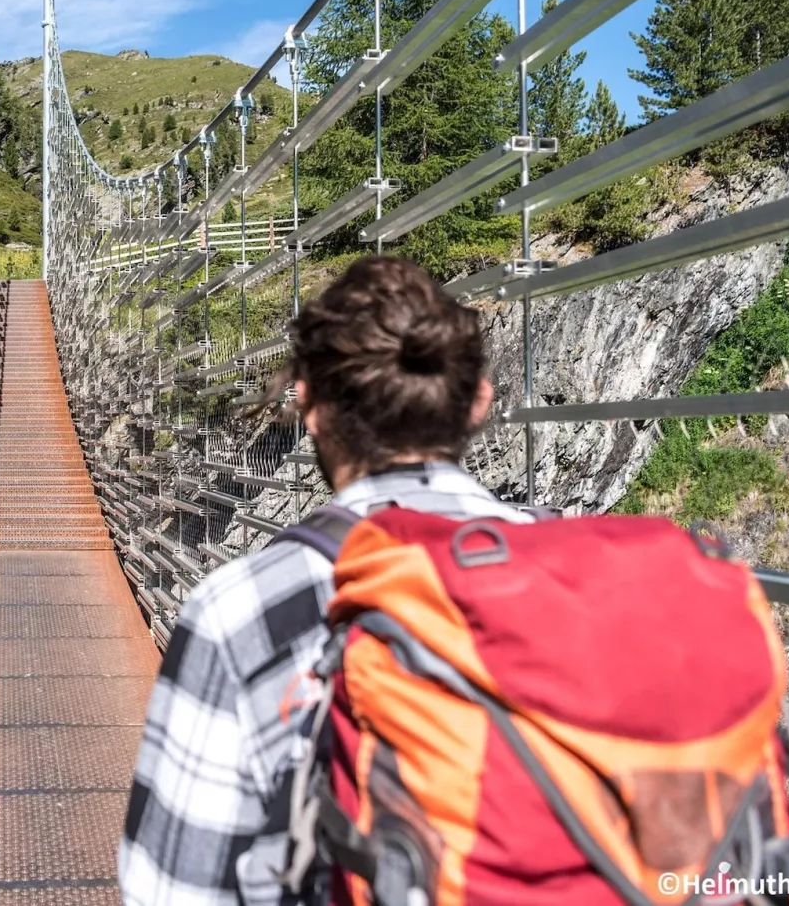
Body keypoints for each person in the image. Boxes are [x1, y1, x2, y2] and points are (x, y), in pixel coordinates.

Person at [116, 255, 534, 905]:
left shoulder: (242, 611)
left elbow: (170, 887)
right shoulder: (597, 586)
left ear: (308, 405)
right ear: (480, 401)